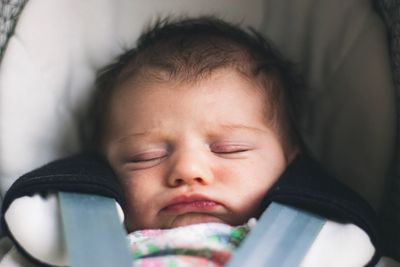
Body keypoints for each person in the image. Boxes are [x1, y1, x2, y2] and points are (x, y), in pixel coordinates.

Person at [0, 16, 383, 266]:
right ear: (104, 171)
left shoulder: (325, 250)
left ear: (289, 159)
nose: (188, 170)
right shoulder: (69, 247)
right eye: (143, 156)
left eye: (228, 149)